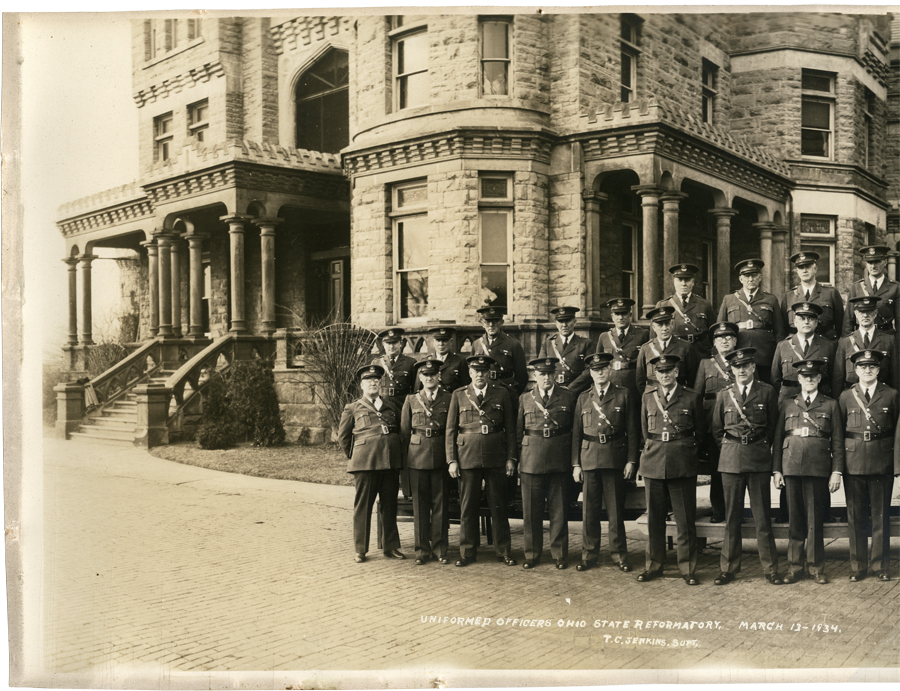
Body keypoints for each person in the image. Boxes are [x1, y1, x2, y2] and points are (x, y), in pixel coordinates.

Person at [710, 347, 782, 586]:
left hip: (758, 459)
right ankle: (728, 568)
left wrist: (758, 446)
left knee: (762, 518)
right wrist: (733, 448)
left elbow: (773, 427)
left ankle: (770, 568)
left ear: (753, 367)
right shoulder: (724, 394)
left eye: (745, 366)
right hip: (731, 461)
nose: (741, 370)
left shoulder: (767, 392)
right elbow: (717, 429)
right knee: (732, 518)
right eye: (736, 366)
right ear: (731, 369)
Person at [636, 354, 705, 586]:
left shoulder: (691, 396)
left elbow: (700, 431)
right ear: (655, 374)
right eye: (660, 371)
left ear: (676, 372)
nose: (664, 375)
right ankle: (653, 566)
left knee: (685, 520)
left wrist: (685, 451)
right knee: (654, 519)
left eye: (669, 371)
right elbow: (644, 431)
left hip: (681, 462)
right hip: (653, 461)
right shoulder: (648, 397)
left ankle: (688, 568)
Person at [773, 359, 844, 584]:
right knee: (795, 521)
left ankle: (816, 568)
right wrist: (776, 470)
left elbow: (838, 441)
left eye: (813, 376)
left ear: (819, 379)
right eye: (805, 377)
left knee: (814, 522)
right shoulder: (787, 404)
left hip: (818, 467)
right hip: (791, 466)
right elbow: (778, 438)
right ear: (799, 379)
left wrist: (837, 471)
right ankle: (794, 568)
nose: (809, 380)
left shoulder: (830, 404)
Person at [446, 355, 518, 567]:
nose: (480, 374)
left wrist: (511, 458)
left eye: (483, 371)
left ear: (489, 373)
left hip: (496, 455)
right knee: (468, 507)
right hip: (467, 456)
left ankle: (503, 551)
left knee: (499, 506)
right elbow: (450, 430)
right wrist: (452, 460)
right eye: (476, 371)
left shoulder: (501, 393)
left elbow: (510, 429)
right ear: (470, 373)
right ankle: (467, 552)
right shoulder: (459, 395)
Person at [572, 352, 638, 573]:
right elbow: (576, 433)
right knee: (589, 512)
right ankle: (589, 555)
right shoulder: (583, 397)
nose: (599, 372)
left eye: (603, 368)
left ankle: (619, 555)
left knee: (615, 512)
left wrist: (631, 460)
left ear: (609, 370)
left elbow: (632, 430)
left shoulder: (623, 394)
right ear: (590, 373)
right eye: (595, 369)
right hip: (589, 458)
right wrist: (576, 464)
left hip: (614, 458)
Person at [837, 349, 900, 582]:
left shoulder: (891, 395)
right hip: (853, 463)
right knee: (855, 517)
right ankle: (858, 566)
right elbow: (838, 433)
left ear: (878, 369)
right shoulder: (846, 396)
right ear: (855, 370)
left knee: (880, 517)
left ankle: (880, 565)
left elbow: (897, 432)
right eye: (863, 367)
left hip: (882, 461)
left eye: (872, 366)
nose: (867, 370)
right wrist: (839, 467)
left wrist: (896, 467)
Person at [337, 364, 405, 564]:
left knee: (389, 506)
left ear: (380, 383)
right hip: (365, 465)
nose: (372, 383)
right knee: (363, 507)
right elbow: (343, 438)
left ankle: (390, 547)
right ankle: (360, 550)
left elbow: (400, 431)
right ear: (362, 385)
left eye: (376, 380)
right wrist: (357, 456)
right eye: (368, 381)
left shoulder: (391, 406)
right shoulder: (352, 408)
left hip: (389, 463)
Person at [517, 357, 576, 570]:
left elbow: (574, 430)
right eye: (542, 374)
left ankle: (559, 554)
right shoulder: (525, 398)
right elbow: (518, 432)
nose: (547, 378)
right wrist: (518, 460)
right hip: (531, 460)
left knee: (559, 510)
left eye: (550, 374)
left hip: (559, 459)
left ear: (555, 375)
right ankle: (532, 554)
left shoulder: (568, 396)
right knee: (531, 512)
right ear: (535, 376)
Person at [400, 359, 452, 566]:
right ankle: (421, 550)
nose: (429, 378)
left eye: (433, 374)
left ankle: (440, 549)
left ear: (439, 376)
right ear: (420, 377)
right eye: (425, 375)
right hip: (417, 457)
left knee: (441, 505)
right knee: (420, 506)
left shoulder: (449, 398)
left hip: (440, 455)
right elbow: (405, 433)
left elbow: (451, 429)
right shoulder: (411, 400)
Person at [693, 321, 740, 523]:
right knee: (717, 469)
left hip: (736, 422)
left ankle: (736, 511)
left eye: (729, 337)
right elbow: (697, 396)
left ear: (735, 341)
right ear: (714, 342)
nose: (724, 341)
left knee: (737, 469)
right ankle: (719, 510)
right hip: (713, 423)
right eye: (720, 338)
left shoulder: (742, 363)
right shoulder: (706, 364)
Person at [717, 258, 786, 384]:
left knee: (765, 387)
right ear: (740, 279)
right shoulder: (729, 299)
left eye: (754, 275)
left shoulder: (771, 299)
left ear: (760, 278)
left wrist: (779, 356)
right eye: (747, 276)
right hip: (738, 352)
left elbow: (779, 331)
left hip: (765, 353)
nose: (750, 279)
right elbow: (720, 331)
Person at [772, 302, 835, 404]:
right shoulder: (783, 346)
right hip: (789, 402)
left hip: (819, 402)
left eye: (811, 319)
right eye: (802, 318)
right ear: (795, 322)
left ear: (816, 322)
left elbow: (834, 378)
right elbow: (775, 378)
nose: (806, 322)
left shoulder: (828, 346)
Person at [833, 296, 894, 394]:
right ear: (856, 314)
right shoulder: (845, 341)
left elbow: (895, 375)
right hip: (853, 396)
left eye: (869, 311)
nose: (865, 315)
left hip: (881, 395)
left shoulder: (889, 340)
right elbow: (838, 377)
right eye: (861, 312)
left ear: (875, 313)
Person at [596, 297, 649, 408]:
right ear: (612, 316)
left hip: (633, 385)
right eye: (617, 314)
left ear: (630, 315)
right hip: (611, 384)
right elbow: (598, 365)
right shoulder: (604, 337)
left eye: (624, 313)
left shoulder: (642, 334)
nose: (620, 317)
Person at [656, 263, 717, 360]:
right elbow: (655, 338)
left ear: (693, 282)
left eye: (687, 280)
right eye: (680, 280)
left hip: (699, 353)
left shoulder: (704, 305)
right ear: (674, 282)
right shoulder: (663, 305)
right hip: (674, 353)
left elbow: (713, 334)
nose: (683, 284)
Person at [472, 306, 529, 409]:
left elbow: (522, 376)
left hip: (506, 394)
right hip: (484, 394)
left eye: (495, 321)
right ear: (482, 323)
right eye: (487, 321)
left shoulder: (513, 344)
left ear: (501, 322)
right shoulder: (477, 344)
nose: (491, 325)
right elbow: (471, 371)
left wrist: (512, 392)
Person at [782, 251, 843, 341]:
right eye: (801, 267)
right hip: (797, 344)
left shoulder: (831, 293)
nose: (804, 270)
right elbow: (783, 327)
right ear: (797, 271)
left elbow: (840, 324)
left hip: (825, 342)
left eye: (808, 267)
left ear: (815, 269)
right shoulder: (789, 295)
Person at [635, 305, 697, 393]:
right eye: (660, 325)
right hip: (654, 396)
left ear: (672, 325)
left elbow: (692, 378)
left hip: (678, 395)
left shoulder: (685, 347)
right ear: (653, 327)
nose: (664, 328)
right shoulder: (646, 348)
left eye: (667, 324)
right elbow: (640, 379)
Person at [841, 245, 899, 336]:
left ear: (885, 262)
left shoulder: (895, 288)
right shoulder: (857, 287)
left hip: (886, 338)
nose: (873, 266)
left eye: (877, 261)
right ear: (866, 264)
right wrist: (847, 342)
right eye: (870, 262)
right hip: (862, 338)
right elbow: (848, 320)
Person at [538, 306, 593, 396]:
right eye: (560, 321)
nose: (564, 325)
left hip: (578, 393)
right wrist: (554, 389)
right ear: (556, 323)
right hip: (554, 393)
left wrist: (570, 389)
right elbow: (542, 368)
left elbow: (590, 370)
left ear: (574, 322)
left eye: (567, 320)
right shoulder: (548, 343)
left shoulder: (585, 343)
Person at [372, 328, 418, 410]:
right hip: (382, 407)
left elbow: (416, 390)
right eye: (388, 343)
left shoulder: (410, 363)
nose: (391, 346)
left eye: (394, 342)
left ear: (401, 343)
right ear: (383, 344)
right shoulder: (377, 363)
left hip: (403, 407)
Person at [417, 326, 470, 394]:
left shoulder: (460, 361)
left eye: (444, 340)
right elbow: (418, 390)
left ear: (451, 341)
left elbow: (465, 388)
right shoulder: (425, 362)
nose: (441, 344)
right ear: (433, 342)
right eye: (438, 340)